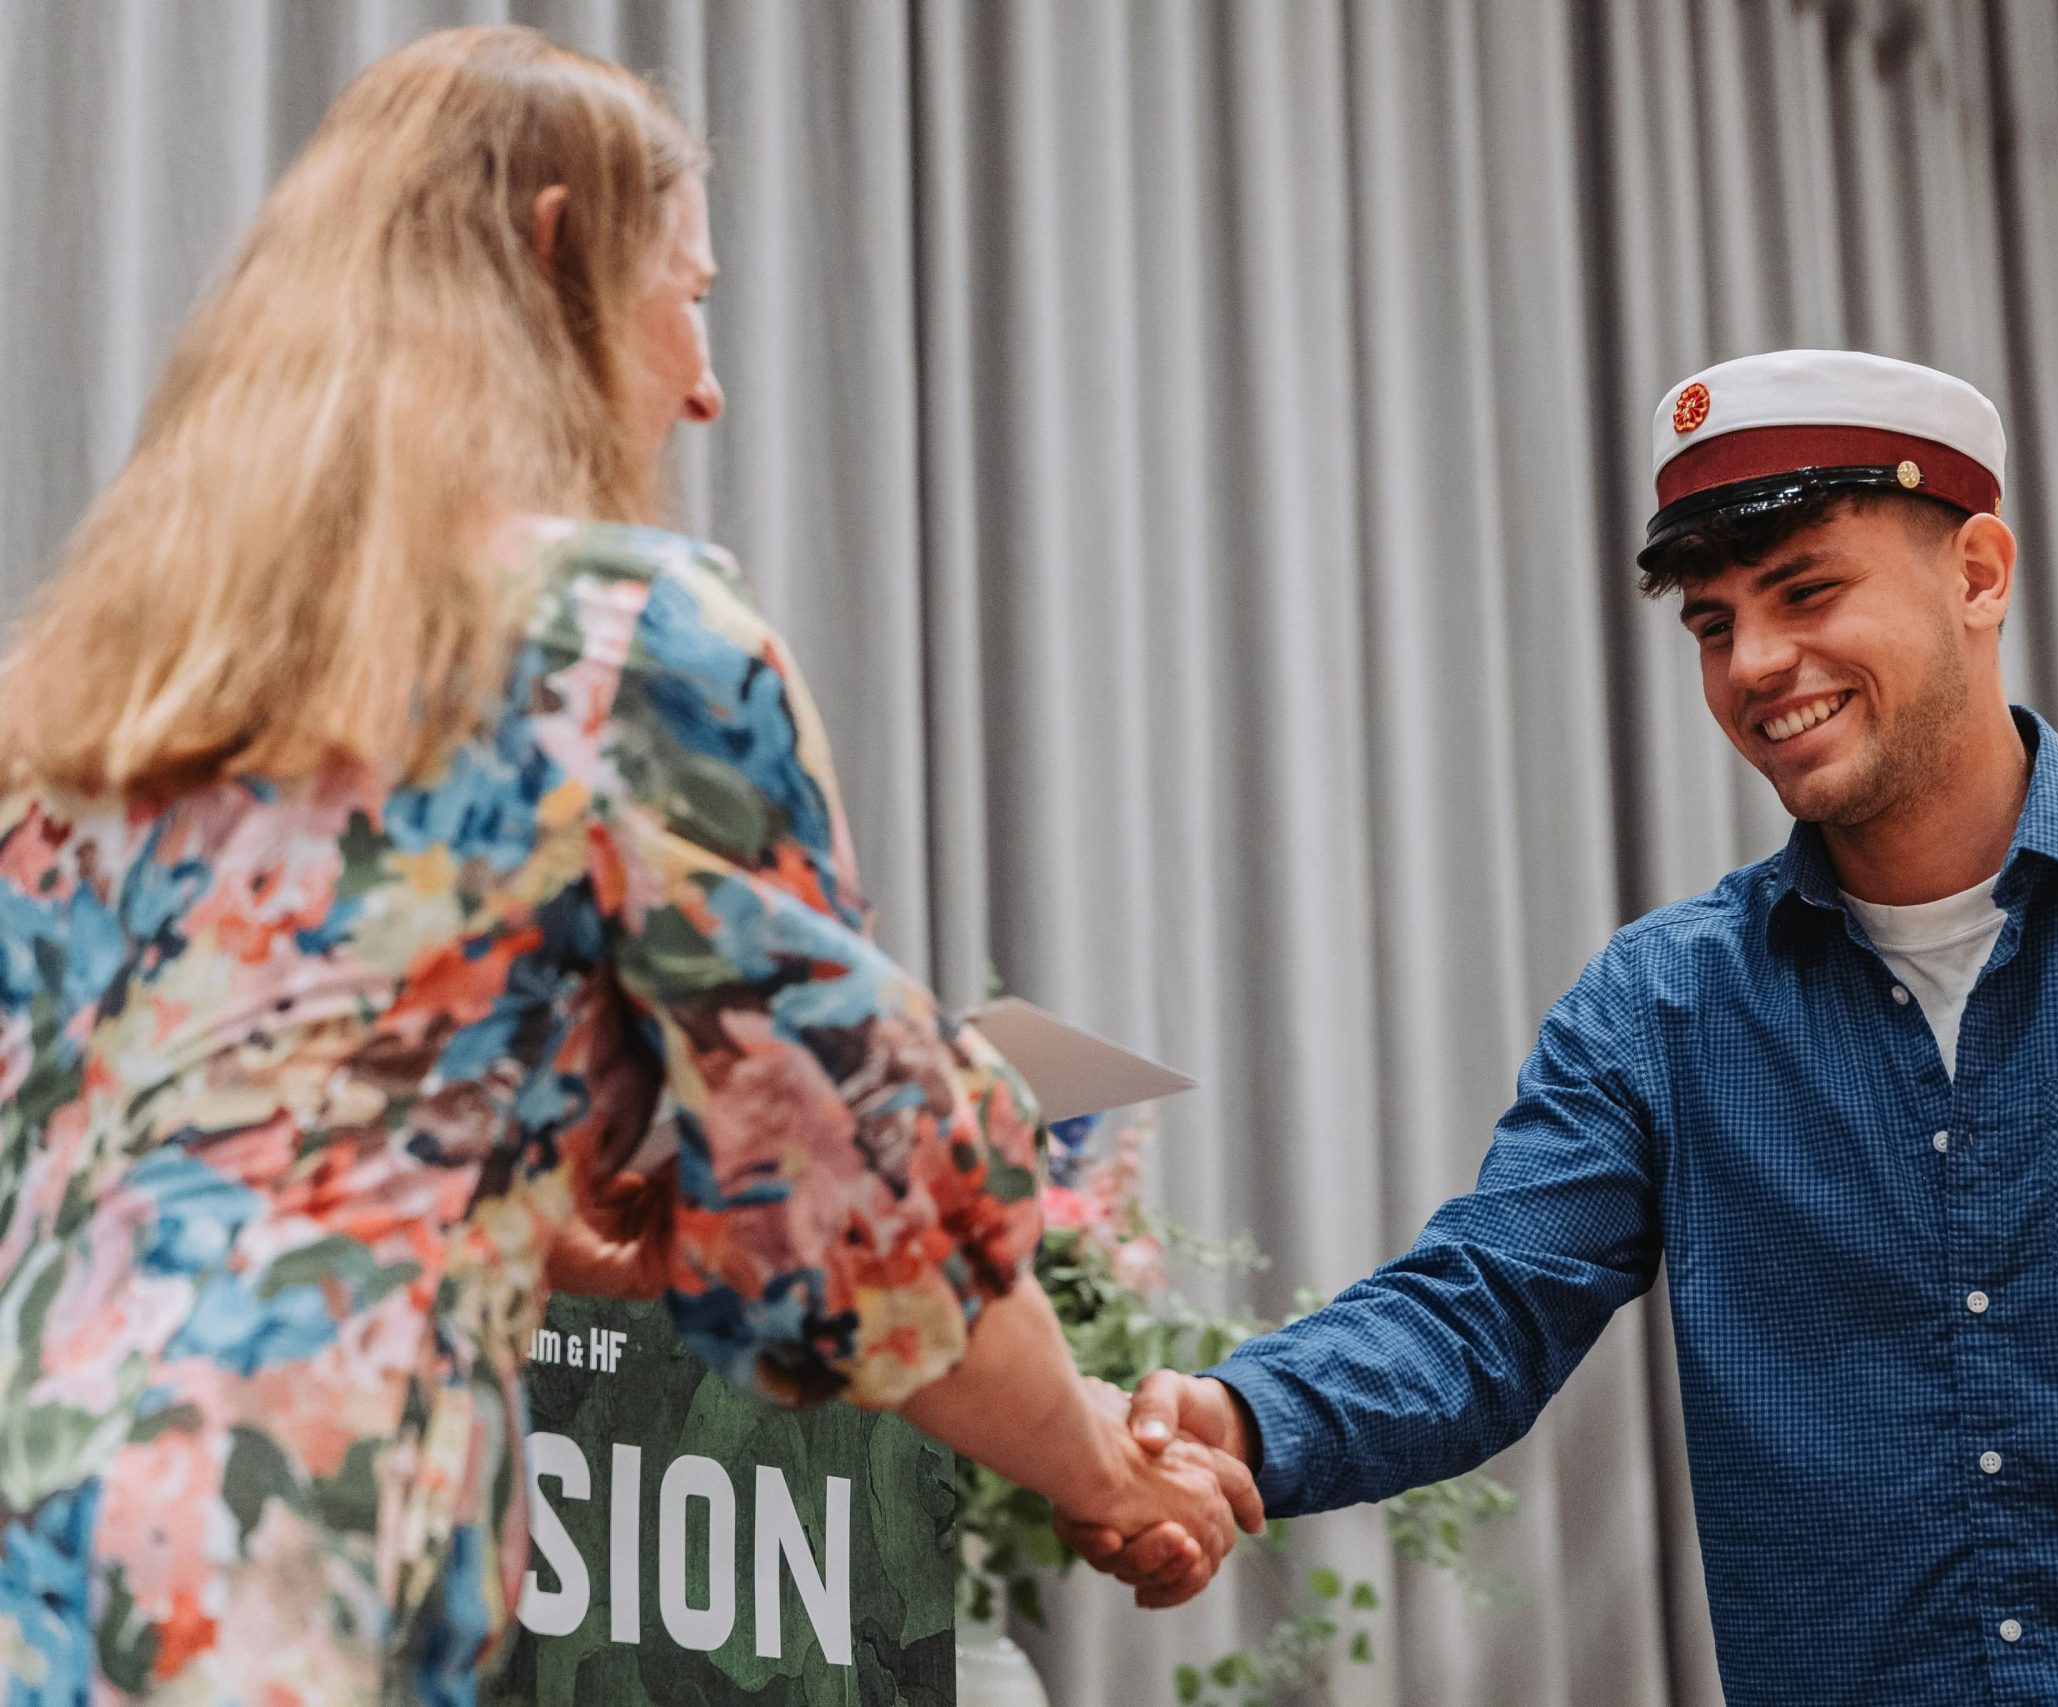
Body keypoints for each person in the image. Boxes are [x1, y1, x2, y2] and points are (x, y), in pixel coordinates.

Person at [0, 26, 1253, 1705]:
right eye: (692, 296)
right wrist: (1108, 1472)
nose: (705, 385)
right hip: (267, 1587)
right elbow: (867, 1225)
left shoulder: (77, 709)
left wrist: (525, 1218)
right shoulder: (622, 646)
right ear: (551, 251)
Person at [1071, 350, 2058, 1704]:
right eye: (1715, 624)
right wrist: (1237, 1416)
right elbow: (1485, 1306)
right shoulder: (1661, 1005)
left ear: (1978, 572)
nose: (1754, 666)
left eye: (1806, 591)